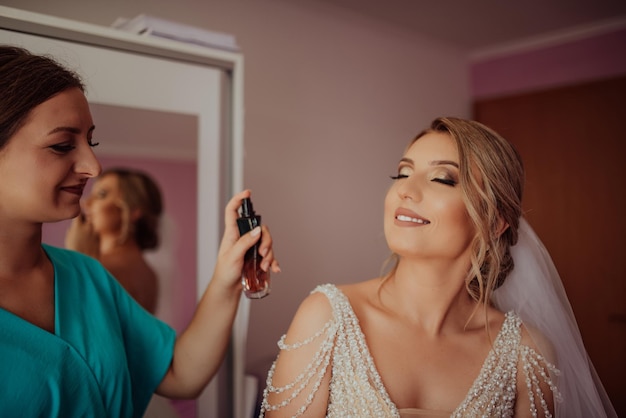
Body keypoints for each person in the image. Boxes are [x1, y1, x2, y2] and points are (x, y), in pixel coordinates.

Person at [260, 117, 616, 417]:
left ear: (495, 222)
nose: (405, 191)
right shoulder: (328, 318)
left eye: (442, 179)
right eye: (402, 174)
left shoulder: (526, 354)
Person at [0, 45, 280, 417]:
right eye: (62, 145)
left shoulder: (87, 276)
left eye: (90, 142)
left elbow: (180, 374)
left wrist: (228, 275)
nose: (93, 166)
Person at [65, 167, 164, 314]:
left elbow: (75, 316)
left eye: (102, 194)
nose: (87, 202)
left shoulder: (101, 266)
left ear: (134, 210)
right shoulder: (150, 275)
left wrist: (76, 255)